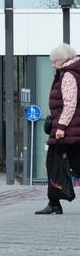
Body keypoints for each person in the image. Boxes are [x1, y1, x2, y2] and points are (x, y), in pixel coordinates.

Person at [37, 43, 80, 215]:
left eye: (54, 61)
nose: (52, 64)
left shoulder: (68, 75)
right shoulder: (68, 74)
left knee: (61, 163)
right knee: (55, 163)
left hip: (67, 131)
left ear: (62, 61)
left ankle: (54, 203)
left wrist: (61, 127)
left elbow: (70, 104)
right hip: (71, 129)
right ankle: (54, 201)